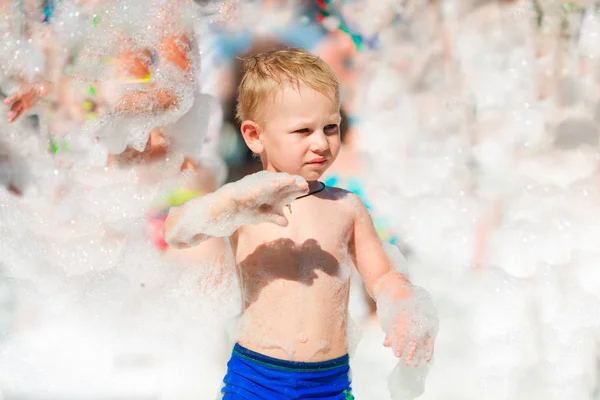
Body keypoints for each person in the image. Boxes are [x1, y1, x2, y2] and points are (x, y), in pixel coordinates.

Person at [163, 47, 435, 399]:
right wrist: (227, 203)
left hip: (329, 382)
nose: (321, 142)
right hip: (257, 377)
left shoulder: (346, 207)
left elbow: (381, 275)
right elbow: (177, 232)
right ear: (255, 136)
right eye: (303, 130)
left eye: (331, 127)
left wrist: (404, 304)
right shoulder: (246, 202)